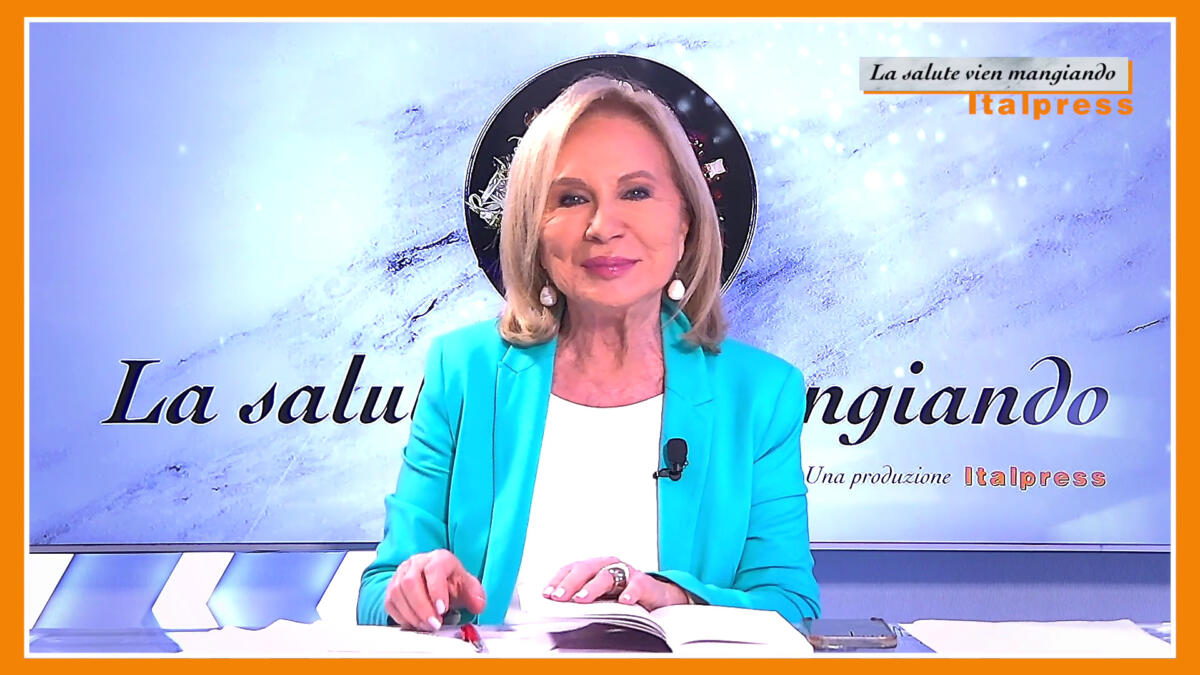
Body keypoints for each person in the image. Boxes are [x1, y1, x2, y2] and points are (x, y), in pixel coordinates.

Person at [358, 74, 820, 630]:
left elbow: (791, 607)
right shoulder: (463, 370)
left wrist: (674, 598)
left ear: (686, 222)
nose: (603, 227)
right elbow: (378, 594)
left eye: (636, 192)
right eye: (571, 199)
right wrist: (416, 592)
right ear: (534, 232)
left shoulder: (760, 393)